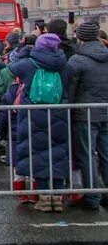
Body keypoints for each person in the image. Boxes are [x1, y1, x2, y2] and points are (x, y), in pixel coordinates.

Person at [9, 32, 71, 211]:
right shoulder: (64, 65)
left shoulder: (28, 64)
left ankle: (44, 197)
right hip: (59, 113)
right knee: (58, 153)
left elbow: (12, 67)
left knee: (37, 155)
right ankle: (57, 197)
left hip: (33, 115)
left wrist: (25, 50)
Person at [65, 21, 108, 210]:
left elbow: (70, 89)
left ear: (80, 37)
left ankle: (92, 197)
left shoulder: (77, 60)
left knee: (87, 155)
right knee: (106, 154)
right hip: (105, 110)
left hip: (84, 113)